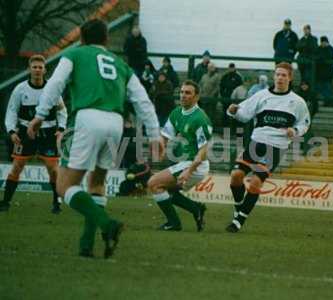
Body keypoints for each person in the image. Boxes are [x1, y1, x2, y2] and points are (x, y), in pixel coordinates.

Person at [27, 19, 163, 258]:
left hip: (88, 118)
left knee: (65, 185)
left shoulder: (76, 54)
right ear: (106, 39)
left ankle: (107, 224)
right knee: (97, 184)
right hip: (116, 123)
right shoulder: (121, 65)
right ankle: (86, 246)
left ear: (81, 38)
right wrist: (154, 134)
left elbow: (56, 83)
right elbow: (142, 100)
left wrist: (39, 114)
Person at [226, 63, 310, 233]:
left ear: (290, 78)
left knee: (255, 182)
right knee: (236, 176)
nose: (280, 78)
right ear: (274, 76)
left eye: (284, 75)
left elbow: (305, 123)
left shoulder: (297, 102)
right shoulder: (261, 95)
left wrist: (295, 130)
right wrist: (234, 111)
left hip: (275, 147)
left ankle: (239, 220)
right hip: (256, 142)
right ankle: (239, 207)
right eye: (278, 74)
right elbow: (244, 115)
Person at [0, 54, 67, 213]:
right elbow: (11, 112)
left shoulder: (52, 89)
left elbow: (62, 111)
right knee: (17, 166)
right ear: (29, 69)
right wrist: (11, 130)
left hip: (48, 132)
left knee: (53, 168)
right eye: (34, 67)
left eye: (40, 67)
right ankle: (5, 202)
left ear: (45, 70)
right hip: (24, 132)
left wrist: (61, 129)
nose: (37, 70)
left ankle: (56, 203)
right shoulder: (20, 89)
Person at [147, 80, 211, 231]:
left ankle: (174, 223)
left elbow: (203, 152)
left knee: (154, 183)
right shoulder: (176, 112)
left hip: (196, 165)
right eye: (181, 92)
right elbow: (165, 135)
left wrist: (189, 171)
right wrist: (160, 148)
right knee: (168, 191)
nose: (183, 96)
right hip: (186, 163)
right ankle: (196, 209)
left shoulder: (200, 119)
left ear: (196, 97)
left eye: (188, 93)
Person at [315, 36, 333, 106]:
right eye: (322, 42)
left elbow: (328, 57)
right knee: (322, 88)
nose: (323, 43)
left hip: (328, 73)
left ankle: (330, 102)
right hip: (319, 73)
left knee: (327, 88)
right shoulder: (318, 49)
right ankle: (327, 101)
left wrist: (321, 58)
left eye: (324, 42)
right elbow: (316, 57)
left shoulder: (330, 49)